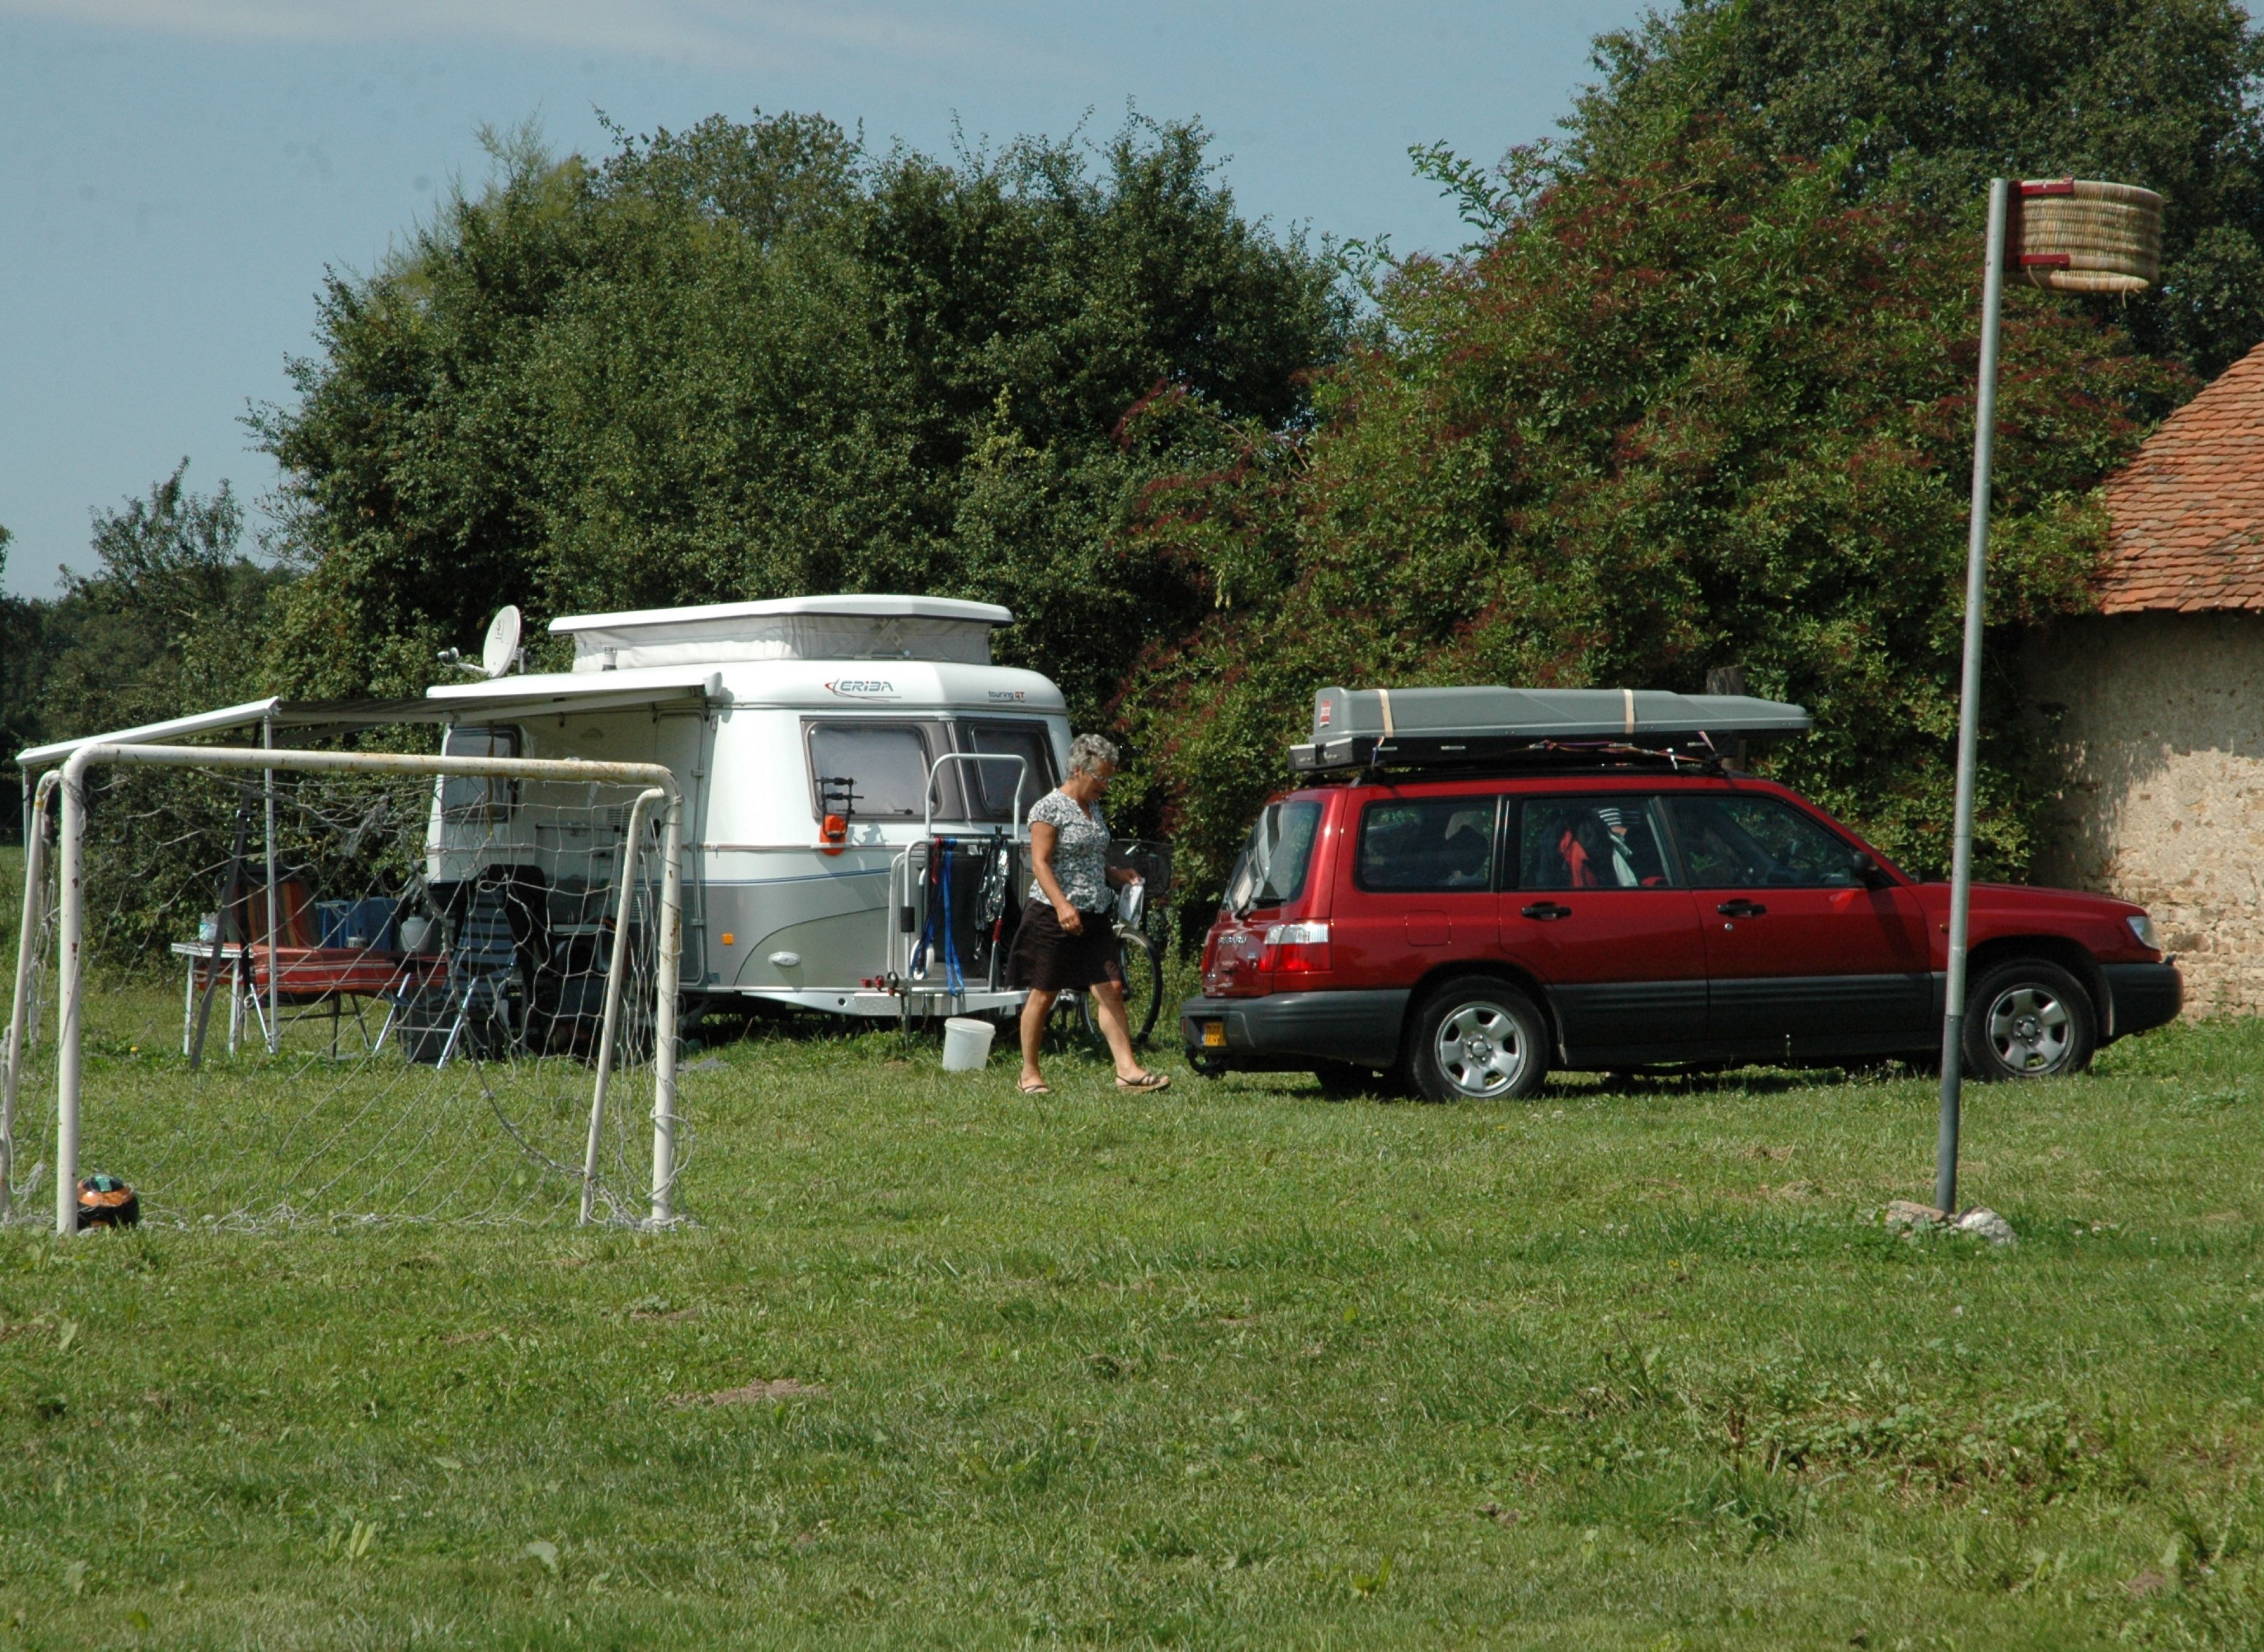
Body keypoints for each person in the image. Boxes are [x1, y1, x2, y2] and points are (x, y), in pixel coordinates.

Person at [1007, 733, 1168, 1095]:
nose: (1106, 786)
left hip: (1094, 912)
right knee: (1044, 993)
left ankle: (1127, 1071)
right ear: (1078, 770)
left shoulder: (1092, 808)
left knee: (1111, 987)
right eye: (1102, 778)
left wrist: (1115, 873)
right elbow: (1041, 863)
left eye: (1110, 778)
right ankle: (1029, 1073)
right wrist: (1063, 904)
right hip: (1053, 913)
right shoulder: (1048, 808)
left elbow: (1089, 856)